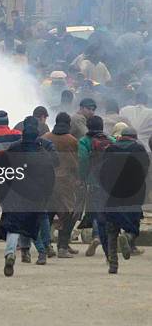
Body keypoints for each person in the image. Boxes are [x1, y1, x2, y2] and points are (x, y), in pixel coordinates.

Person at [0, 117, 56, 276]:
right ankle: (42, 253)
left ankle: (10, 253)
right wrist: (46, 194)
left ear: (23, 134)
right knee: (33, 224)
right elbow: (50, 177)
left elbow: (2, 171)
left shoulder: (13, 149)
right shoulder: (43, 153)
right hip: (36, 195)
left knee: (13, 226)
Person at [100, 127, 150, 273]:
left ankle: (113, 265)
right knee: (133, 226)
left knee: (111, 230)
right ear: (134, 137)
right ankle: (127, 238)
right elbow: (145, 171)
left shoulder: (110, 150)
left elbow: (102, 172)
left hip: (113, 196)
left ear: (121, 137)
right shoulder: (139, 149)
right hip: (133, 196)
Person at [41, 112, 81, 258]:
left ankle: (46, 246)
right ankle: (62, 247)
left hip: (47, 181)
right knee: (69, 214)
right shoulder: (72, 140)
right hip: (66, 183)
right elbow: (76, 163)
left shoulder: (45, 138)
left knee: (49, 214)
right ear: (68, 124)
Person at [78, 115, 114, 258]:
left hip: (93, 181)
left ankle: (97, 235)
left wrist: (83, 177)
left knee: (95, 210)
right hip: (110, 181)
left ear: (88, 126)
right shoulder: (111, 140)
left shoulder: (84, 141)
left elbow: (83, 160)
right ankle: (110, 239)